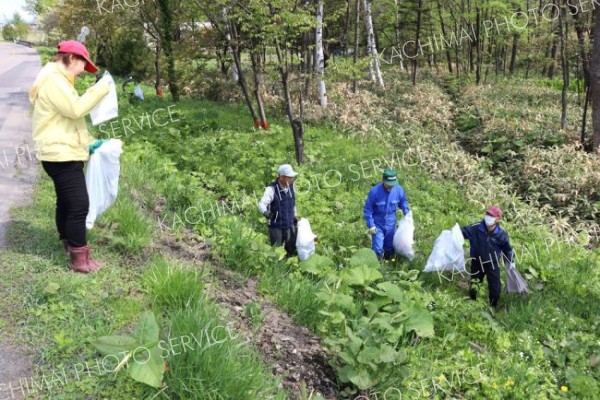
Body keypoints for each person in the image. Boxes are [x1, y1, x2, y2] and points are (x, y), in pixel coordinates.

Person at [29, 40, 111, 273]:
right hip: (60, 154)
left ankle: (67, 242)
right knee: (78, 205)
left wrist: (88, 143)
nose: (85, 70)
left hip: (59, 150)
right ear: (71, 58)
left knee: (66, 202)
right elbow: (76, 109)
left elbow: (67, 120)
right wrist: (100, 88)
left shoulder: (56, 79)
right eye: (84, 64)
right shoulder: (55, 80)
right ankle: (79, 260)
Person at [461, 206, 515, 308]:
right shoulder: (476, 228)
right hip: (477, 262)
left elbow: (507, 249)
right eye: (487, 214)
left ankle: (492, 307)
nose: (488, 217)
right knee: (474, 285)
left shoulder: (501, 234)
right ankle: (472, 305)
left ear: (498, 219)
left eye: (491, 215)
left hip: (492, 264)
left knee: (495, 290)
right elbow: (462, 232)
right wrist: (452, 234)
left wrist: (510, 262)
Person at [363, 169, 410, 260]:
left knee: (389, 248)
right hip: (377, 225)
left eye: (392, 185)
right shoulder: (375, 192)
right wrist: (371, 225)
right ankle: (376, 266)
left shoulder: (398, 190)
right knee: (377, 248)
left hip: (391, 224)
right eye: (388, 184)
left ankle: (389, 266)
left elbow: (403, 203)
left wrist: (407, 213)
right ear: (383, 180)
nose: (390, 187)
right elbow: (368, 210)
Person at [258, 164, 299, 257]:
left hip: (289, 223)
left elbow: (292, 203)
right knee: (276, 251)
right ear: (282, 177)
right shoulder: (271, 189)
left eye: (292, 177)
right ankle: (277, 268)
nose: (292, 179)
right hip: (276, 225)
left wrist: (295, 215)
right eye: (290, 177)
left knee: (291, 248)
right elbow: (261, 204)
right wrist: (265, 213)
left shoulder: (291, 187)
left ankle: (290, 265)